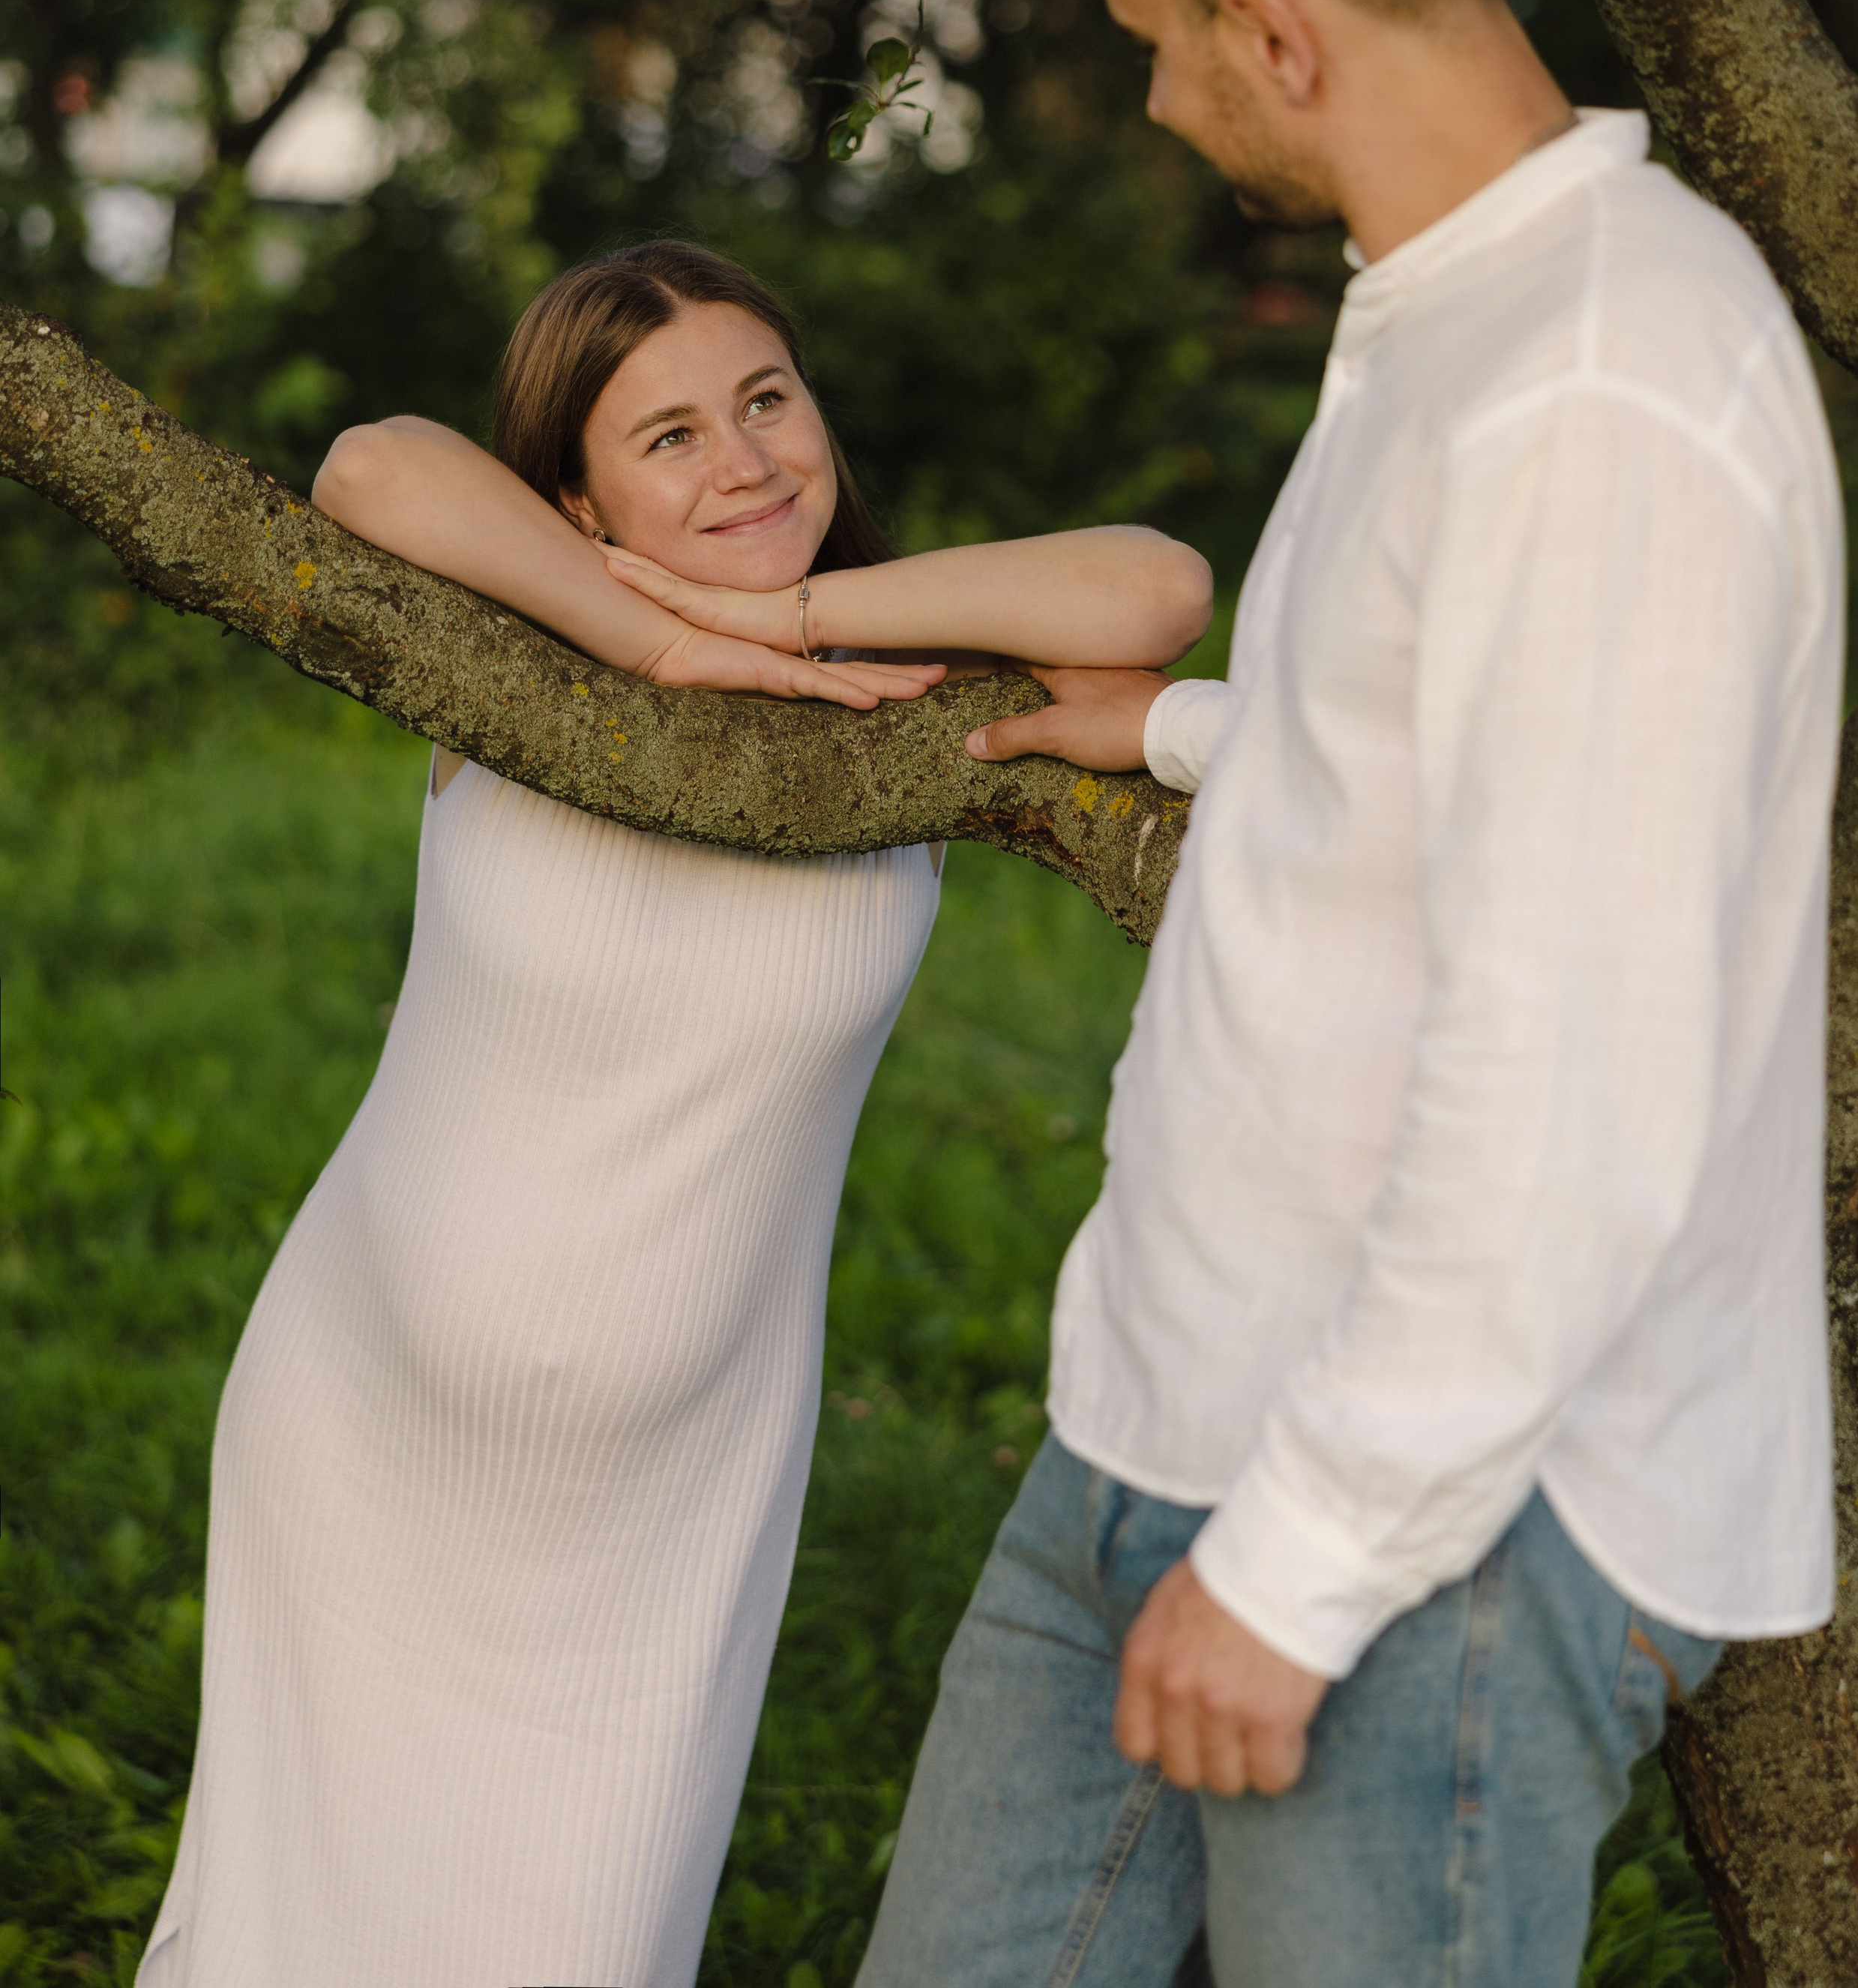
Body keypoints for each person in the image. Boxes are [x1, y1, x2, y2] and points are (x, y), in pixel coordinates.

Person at [832, 0, 1842, 1988]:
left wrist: (1296, 1571)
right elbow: (1468, 759)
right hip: (1161, 1420)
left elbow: (1573, 1081)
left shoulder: (1603, 379)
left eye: (1159, 47)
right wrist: (1202, 727)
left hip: (1433, 1534)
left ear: (1274, 32)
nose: (1154, 102)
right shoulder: (1458, 313)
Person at [136, 238, 1211, 1988]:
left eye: (766, 399)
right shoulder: (509, 671)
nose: (744, 461)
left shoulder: (918, 701)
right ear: (577, 497)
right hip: (358, 1449)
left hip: (663, 1521)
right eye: (669, 437)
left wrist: (783, 623)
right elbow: (367, 470)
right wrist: (651, 629)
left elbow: (1154, 589)